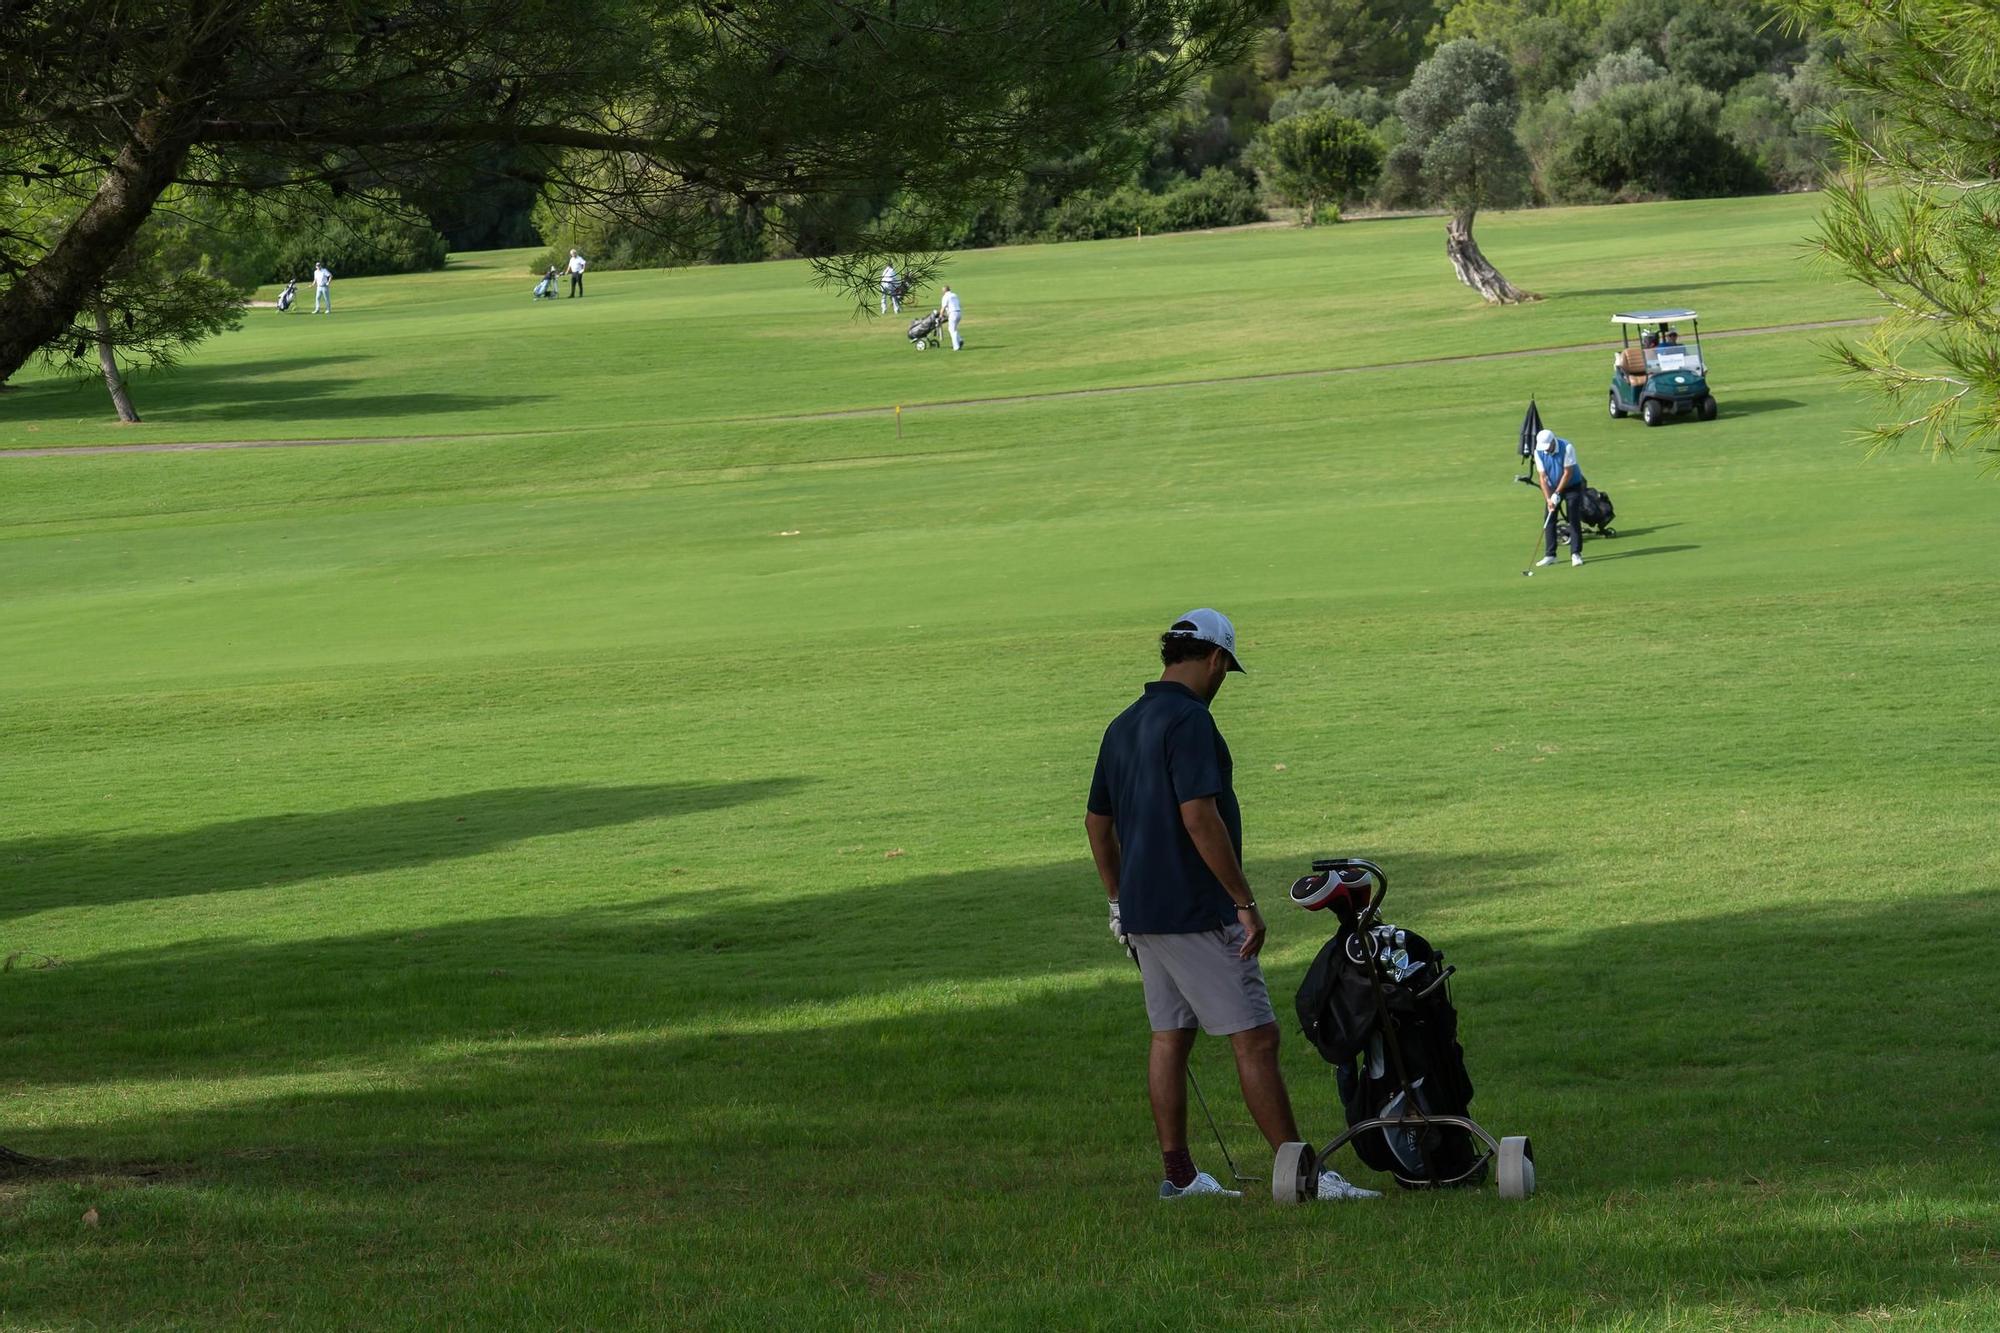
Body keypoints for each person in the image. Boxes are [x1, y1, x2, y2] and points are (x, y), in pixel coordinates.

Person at [1086, 609, 1381, 1203]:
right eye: (1227, 669)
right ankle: (1303, 1177)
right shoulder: (1191, 721)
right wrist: (1243, 900)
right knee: (1256, 1037)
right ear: (1216, 659)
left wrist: (1118, 901)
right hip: (1196, 910)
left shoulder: (1124, 723)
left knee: (1170, 1036)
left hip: (1145, 914)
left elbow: (1098, 824)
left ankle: (1180, 1177)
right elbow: (1199, 817)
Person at [1532, 427, 1586, 568]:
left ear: (1552, 442)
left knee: (1573, 518)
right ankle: (1550, 555)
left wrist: (1558, 493)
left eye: (1547, 446)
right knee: (1549, 518)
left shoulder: (1566, 447)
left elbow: (1567, 473)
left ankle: (1576, 554)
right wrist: (1549, 498)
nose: (1545, 449)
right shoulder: (1538, 452)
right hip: (1552, 487)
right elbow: (1542, 478)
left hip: (1572, 485)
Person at [939, 284, 962, 350]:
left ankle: (956, 347)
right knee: (953, 329)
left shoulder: (945, 297)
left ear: (944, 291)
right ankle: (960, 340)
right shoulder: (954, 295)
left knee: (952, 330)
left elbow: (943, 307)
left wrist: (940, 315)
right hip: (959, 313)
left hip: (952, 314)